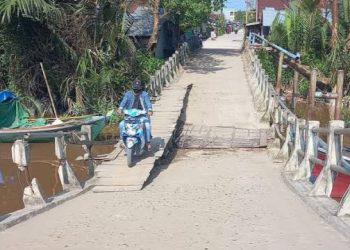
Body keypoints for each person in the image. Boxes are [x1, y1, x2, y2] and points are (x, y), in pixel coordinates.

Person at [118, 79, 153, 150]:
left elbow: (148, 104)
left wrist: (149, 110)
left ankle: (147, 142)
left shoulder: (144, 94)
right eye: (135, 88)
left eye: (138, 89)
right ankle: (122, 140)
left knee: (147, 126)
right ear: (133, 87)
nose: (136, 91)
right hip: (130, 116)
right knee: (121, 124)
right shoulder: (128, 94)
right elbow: (123, 102)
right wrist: (120, 108)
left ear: (140, 88)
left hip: (142, 116)